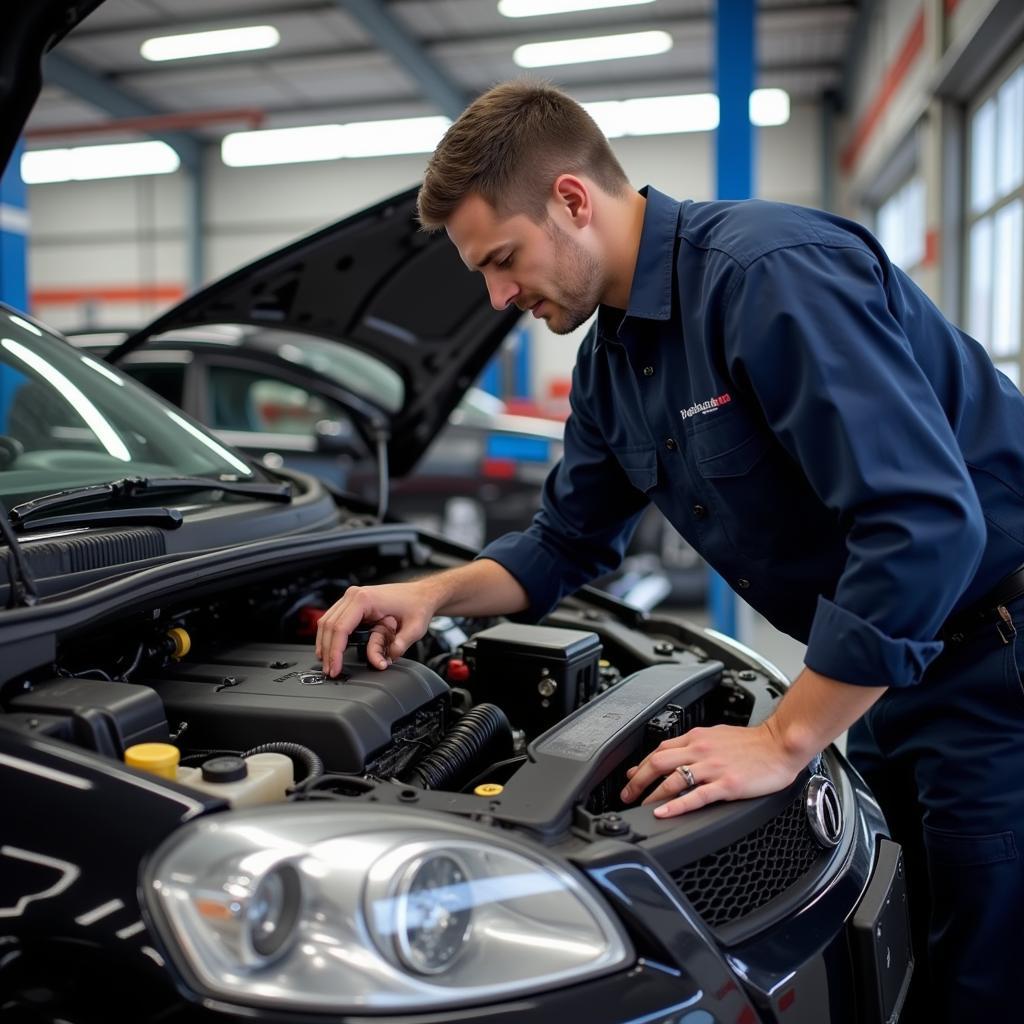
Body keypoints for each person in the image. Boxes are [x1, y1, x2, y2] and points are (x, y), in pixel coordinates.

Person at [315, 80, 1024, 1020]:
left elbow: (925, 524)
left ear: (572, 199)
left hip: (999, 663)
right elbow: (560, 545)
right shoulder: (613, 367)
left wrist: (783, 738)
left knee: (989, 979)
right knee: (907, 955)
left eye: (503, 259)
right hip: (892, 673)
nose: (496, 296)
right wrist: (426, 593)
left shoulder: (769, 275)